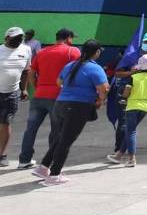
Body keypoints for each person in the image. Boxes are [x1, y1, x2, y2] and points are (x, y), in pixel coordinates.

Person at [33, 39, 108, 185]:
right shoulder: (95, 68)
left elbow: (59, 82)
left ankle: (43, 168)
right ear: (97, 52)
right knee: (66, 141)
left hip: (60, 104)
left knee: (61, 137)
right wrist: (100, 100)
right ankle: (54, 175)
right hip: (78, 107)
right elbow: (103, 89)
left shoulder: (70, 65)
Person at [17, 28, 78, 170]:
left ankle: (24, 160)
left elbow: (32, 72)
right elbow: (78, 70)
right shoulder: (72, 51)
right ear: (68, 38)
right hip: (58, 96)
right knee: (57, 130)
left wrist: (37, 87)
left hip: (39, 95)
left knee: (30, 129)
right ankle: (51, 162)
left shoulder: (42, 52)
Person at [107, 53, 147, 167]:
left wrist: (123, 98)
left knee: (131, 132)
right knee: (130, 130)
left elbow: (126, 93)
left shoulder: (133, 77)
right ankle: (119, 155)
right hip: (145, 106)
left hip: (132, 105)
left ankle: (132, 159)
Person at [0, 27, 32, 167]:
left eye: (21, 38)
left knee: (5, 123)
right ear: (6, 38)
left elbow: (26, 71)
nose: (18, 41)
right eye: (15, 38)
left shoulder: (26, 50)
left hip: (12, 93)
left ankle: (2, 155)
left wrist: (24, 89)